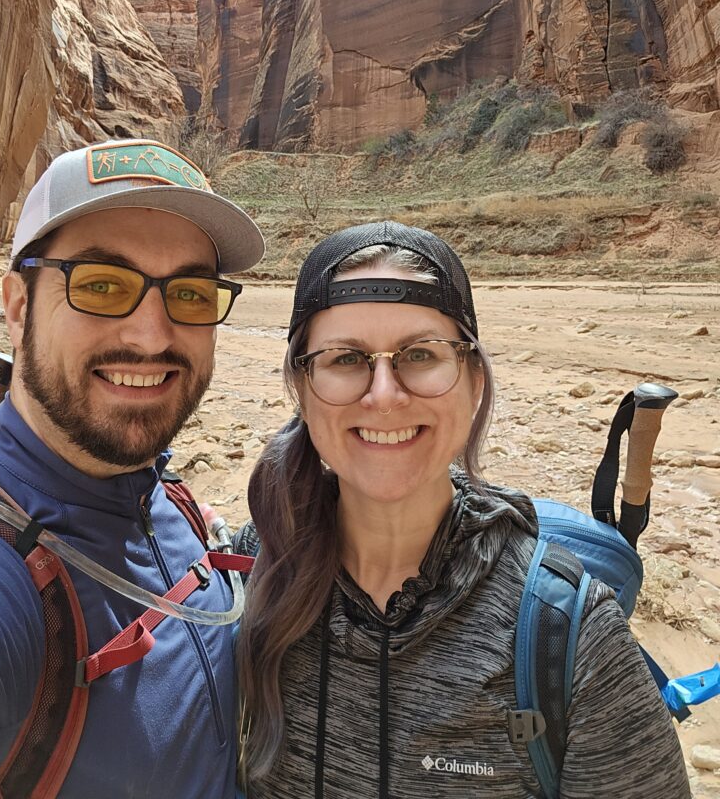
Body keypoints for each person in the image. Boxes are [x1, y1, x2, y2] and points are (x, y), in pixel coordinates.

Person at [234, 221, 690, 798]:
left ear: (474, 380)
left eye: (420, 354)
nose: (384, 394)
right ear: (301, 387)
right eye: (345, 359)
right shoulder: (251, 575)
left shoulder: (565, 633)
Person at [0, 138, 264, 798]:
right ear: (17, 307)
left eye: (189, 293)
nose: (151, 337)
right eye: (101, 285)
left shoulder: (169, 499)